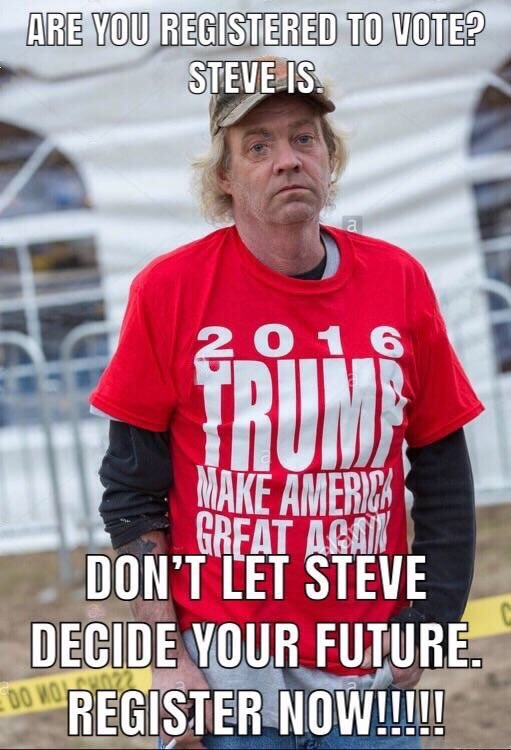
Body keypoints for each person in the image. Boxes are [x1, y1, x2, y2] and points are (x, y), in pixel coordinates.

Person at [89, 55, 485, 749]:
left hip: (368, 681)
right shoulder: (169, 291)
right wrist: (166, 660)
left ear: (329, 158)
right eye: (258, 146)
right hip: (223, 682)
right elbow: (131, 492)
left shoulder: (398, 281)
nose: (287, 160)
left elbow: (443, 474)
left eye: (304, 138)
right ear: (224, 175)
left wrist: (431, 623)